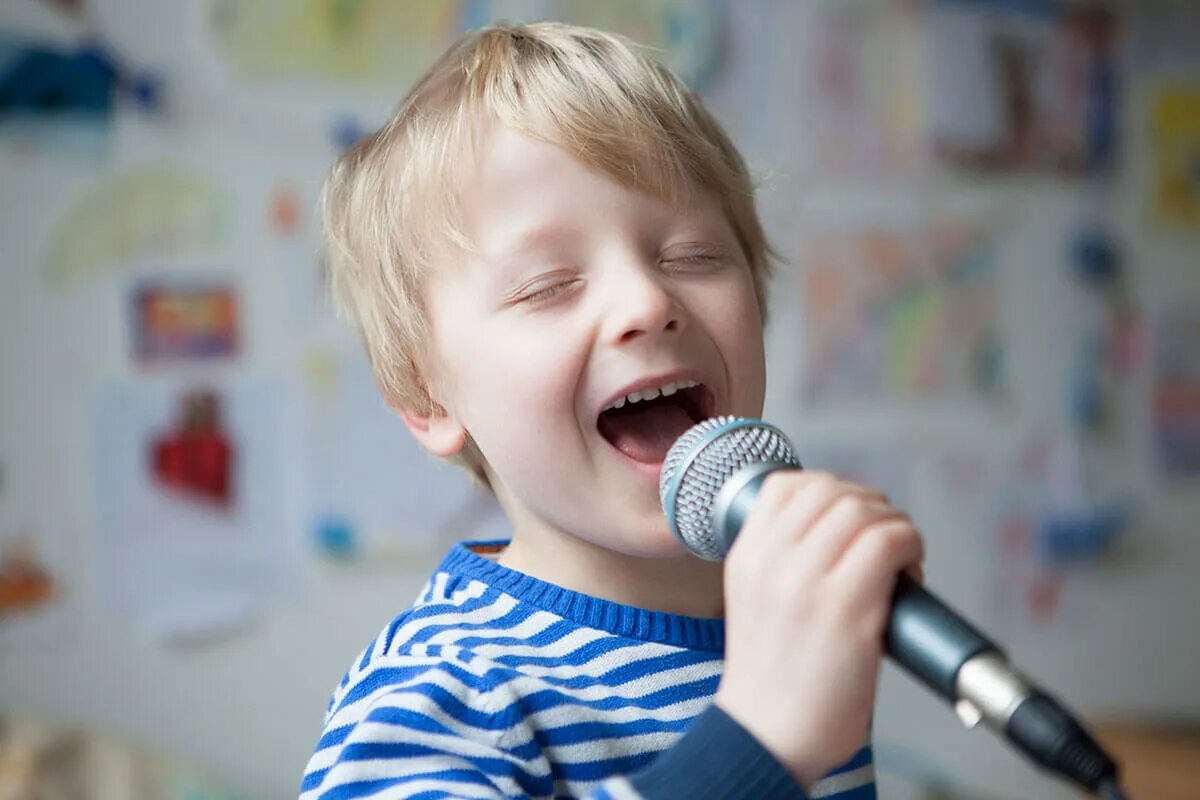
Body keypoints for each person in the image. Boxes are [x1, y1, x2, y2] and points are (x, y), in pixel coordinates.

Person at [301, 21, 923, 800]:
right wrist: (756, 744)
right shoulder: (443, 690)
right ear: (428, 399)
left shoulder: (786, 624)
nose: (648, 301)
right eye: (548, 285)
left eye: (692, 255)